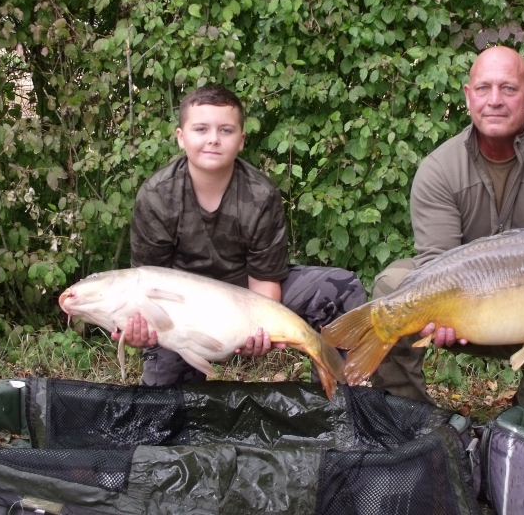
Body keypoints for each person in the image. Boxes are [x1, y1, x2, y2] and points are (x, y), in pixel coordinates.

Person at [370, 45, 524, 405]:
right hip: (462, 312)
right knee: (391, 287)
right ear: (468, 97)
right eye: (483, 88)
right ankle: (409, 420)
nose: (494, 100)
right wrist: (442, 315)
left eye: (508, 88)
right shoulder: (439, 169)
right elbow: (437, 265)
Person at [113, 85, 366, 386]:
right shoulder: (156, 196)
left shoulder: (261, 194)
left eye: (226, 130)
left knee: (341, 289)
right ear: (181, 137)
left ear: (241, 140)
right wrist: (137, 330)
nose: (213, 140)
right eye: (201, 129)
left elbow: (265, 283)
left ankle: (335, 399)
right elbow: (147, 286)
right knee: (165, 412)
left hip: (245, 294)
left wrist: (255, 328)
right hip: (183, 308)